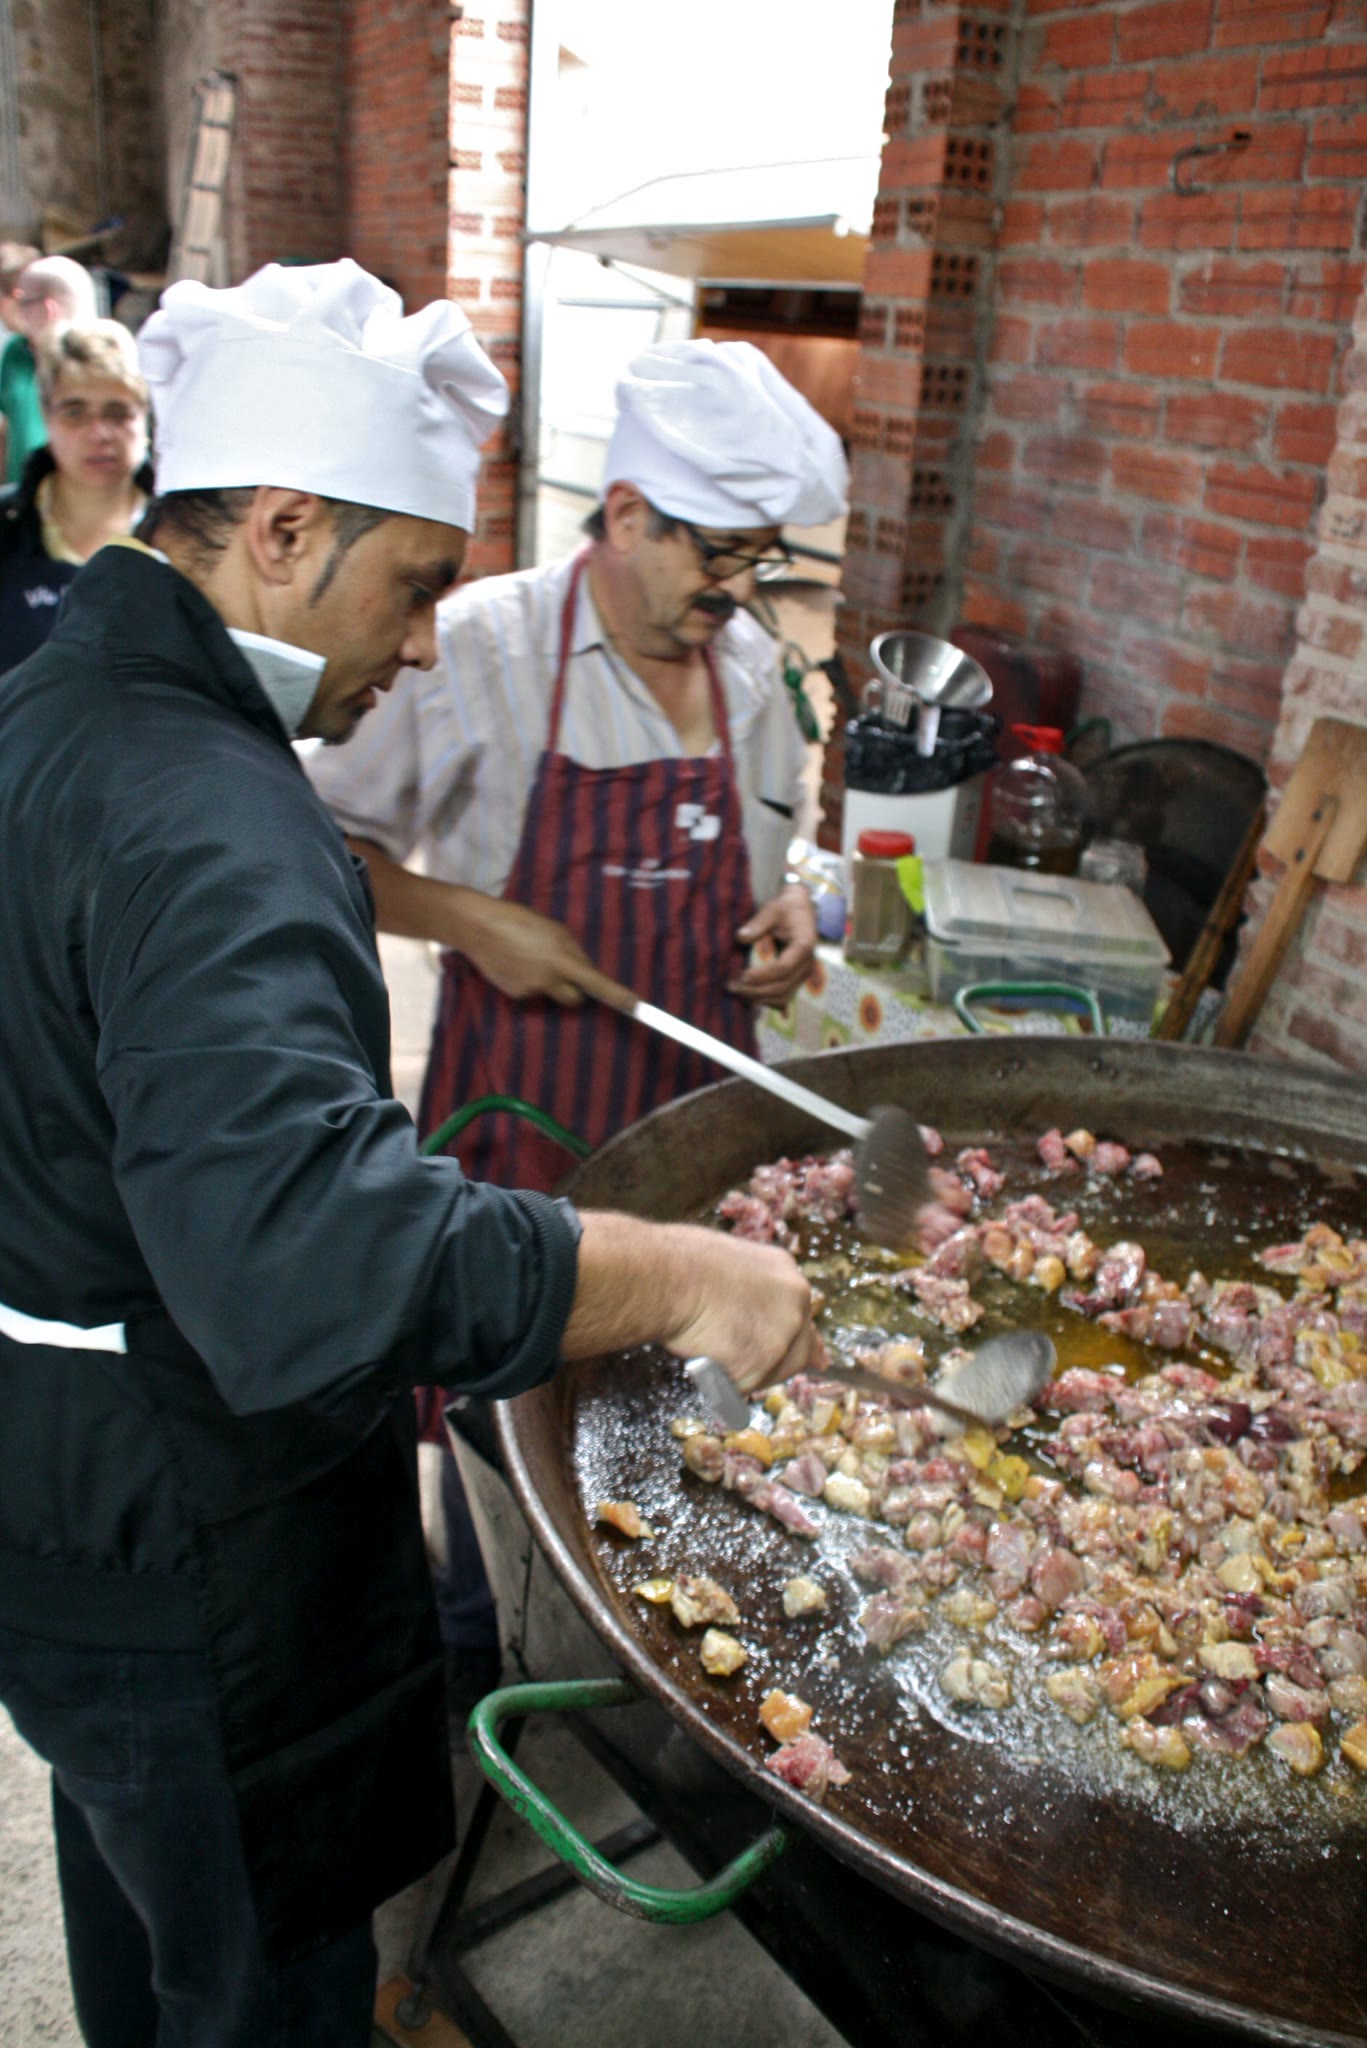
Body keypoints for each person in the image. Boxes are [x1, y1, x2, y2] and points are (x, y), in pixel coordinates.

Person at [0, 258, 818, 2048]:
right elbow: (321, 1251)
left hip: (69, 1481)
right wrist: (682, 1271)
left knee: (152, 1928)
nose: (431, 638)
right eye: (418, 583)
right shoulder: (208, 813)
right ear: (284, 531)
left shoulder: (67, 695)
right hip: (183, 1526)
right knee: (258, 1988)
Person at [307, 336, 847, 1706]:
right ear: (623, 513)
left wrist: (787, 914)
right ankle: (481, 1660)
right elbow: (313, 845)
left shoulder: (748, 670)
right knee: (510, 1446)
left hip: (703, 1131)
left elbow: (778, 845)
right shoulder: (477, 649)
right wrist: (474, 917)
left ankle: (653, 1681)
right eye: (713, 555)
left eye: (756, 560)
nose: (734, 593)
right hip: (528, 1134)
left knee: (682, 1439)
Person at [0, 319, 152, 672]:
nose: (99, 433)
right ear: (46, 415)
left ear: (145, 414)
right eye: (75, 412)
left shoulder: (185, 535)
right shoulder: (6, 528)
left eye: (117, 413)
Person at [0, 252, 97, 483]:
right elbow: (6, 430)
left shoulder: (100, 368)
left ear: (48, 309)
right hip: (23, 495)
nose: (19, 313)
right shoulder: (16, 352)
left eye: (24, 304)